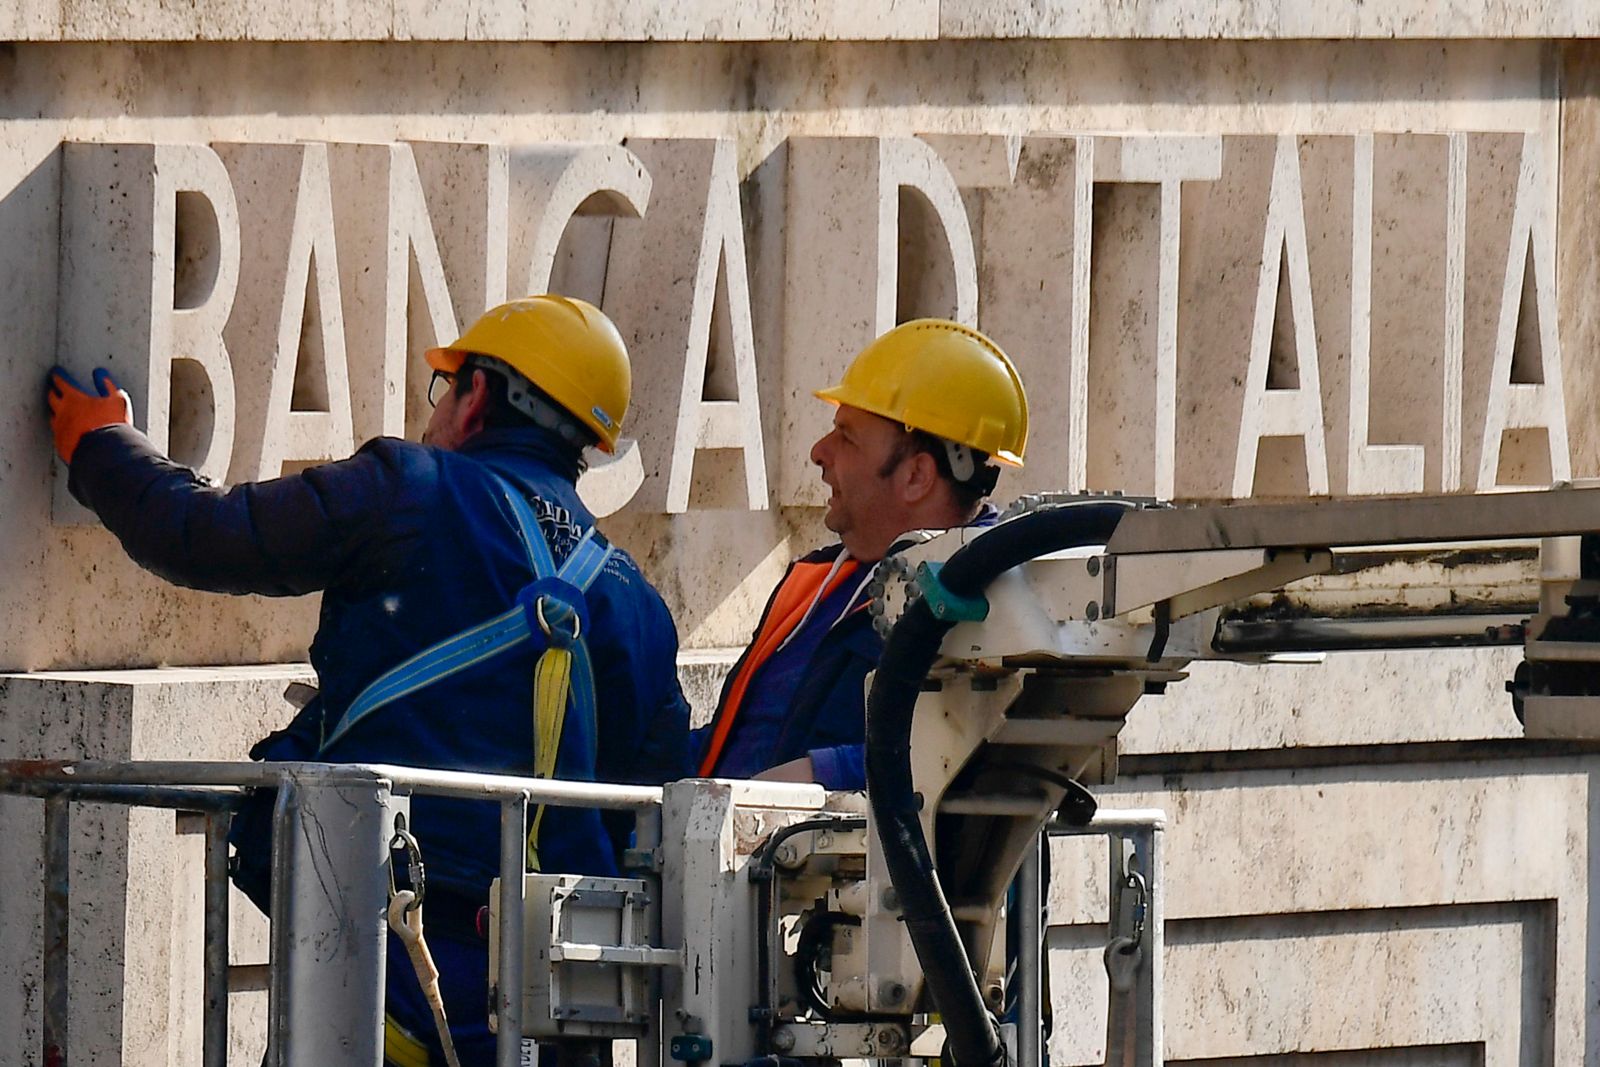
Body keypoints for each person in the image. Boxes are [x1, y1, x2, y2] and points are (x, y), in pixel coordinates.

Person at [46, 295, 691, 1066]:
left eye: (445, 388)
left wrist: (102, 444)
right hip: (550, 1017)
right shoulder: (640, 608)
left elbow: (207, 535)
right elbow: (648, 818)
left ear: (479, 395)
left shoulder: (408, 487)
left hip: (375, 983)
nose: (435, 413)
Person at [693, 319, 1028, 789]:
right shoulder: (817, 582)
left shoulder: (995, 602)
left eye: (847, 437)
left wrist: (817, 776)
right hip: (725, 850)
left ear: (916, 476)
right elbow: (742, 746)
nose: (818, 452)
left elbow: (975, 758)